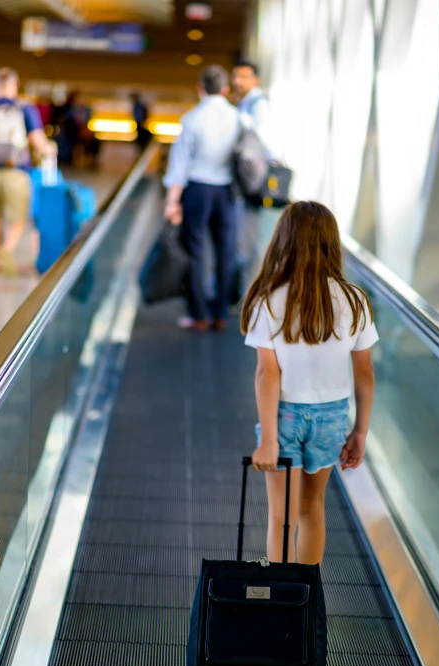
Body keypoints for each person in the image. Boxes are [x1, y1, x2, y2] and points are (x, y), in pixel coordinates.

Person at [241, 201, 378, 565]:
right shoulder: (355, 301)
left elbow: (267, 373)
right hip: (332, 416)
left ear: (284, 242)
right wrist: (360, 432)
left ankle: (281, 605)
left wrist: (269, 440)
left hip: (284, 414)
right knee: (312, 509)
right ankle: (306, 600)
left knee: (280, 518)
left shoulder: (269, 300)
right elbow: (364, 372)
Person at [164, 65, 239, 332]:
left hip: (197, 189)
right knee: (225, 252)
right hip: (227, 190)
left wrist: (172, 201)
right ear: (226, 89)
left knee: (196, 251)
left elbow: (179, 164)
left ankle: (199, 316)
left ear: (200, 88)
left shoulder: (192, 118)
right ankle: (220, 313)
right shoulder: (238, 118)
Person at [0, 67, 56, 273]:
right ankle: (5, 250)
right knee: (18, 216)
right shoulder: (25, 109)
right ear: (15, 85)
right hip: (16, 170)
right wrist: (49, 149)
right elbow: (37, 140)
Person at [232, 59, 278, 298]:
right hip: (251, 181)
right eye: (236, 76)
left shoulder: (258, 105)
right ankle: (247, 292)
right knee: (247, 239)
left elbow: (263, 141)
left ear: (255, 79)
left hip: (254, 182)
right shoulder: (247, 103)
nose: (238, 81)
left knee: (252, 241)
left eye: (243, 76)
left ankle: (252, 295)